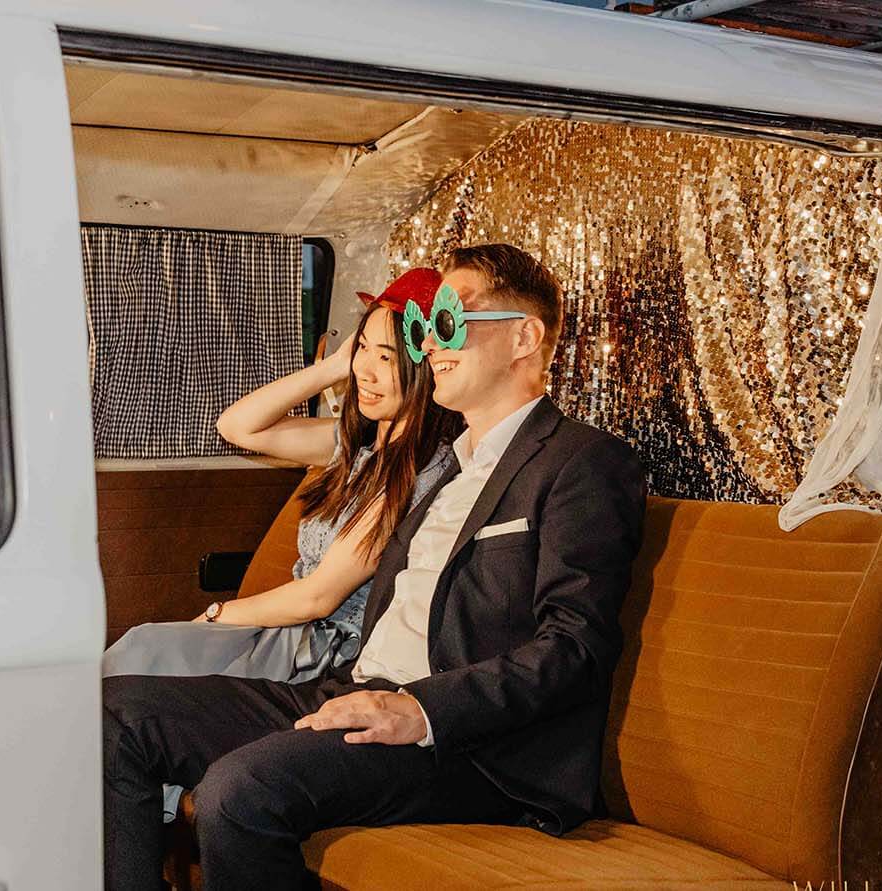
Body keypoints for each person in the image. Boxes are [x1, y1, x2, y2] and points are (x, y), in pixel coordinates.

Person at [102, 244, 648, 891]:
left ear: (523, 338)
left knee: (237, 790)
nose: (430, 344)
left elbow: (574, 647)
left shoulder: (581, 462)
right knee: (113, 712)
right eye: (423, 328)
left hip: (468, 743)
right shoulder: (442, 467)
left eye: (448, 322)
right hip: (354, 688)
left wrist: (421, 709)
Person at [102, 267, 459, 685]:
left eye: (387, 357)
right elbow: (236, 427)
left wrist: (217, 614)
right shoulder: (355, 446)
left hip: (321, 650)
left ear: (425, 367)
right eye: (362, 347)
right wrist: (333, 367)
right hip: (287, 628)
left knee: (143, 655)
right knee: (139, 651)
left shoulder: (420, 471)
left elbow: (317, 598)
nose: (366, 370)